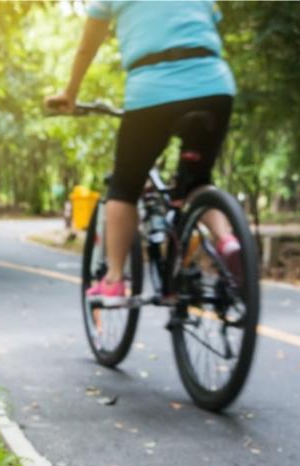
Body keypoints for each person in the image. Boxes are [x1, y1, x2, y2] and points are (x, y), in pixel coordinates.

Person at [45, 0, 241, 299]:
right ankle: (227, 239)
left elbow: (88, 45)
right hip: (213, 86)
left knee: (124, 186)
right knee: (198, 181)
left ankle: (113, 280)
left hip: (152, 91)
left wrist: (70, 93)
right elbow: (209, 24)